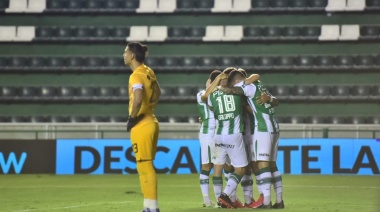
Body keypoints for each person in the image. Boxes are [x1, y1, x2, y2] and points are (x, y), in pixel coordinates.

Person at [218, 70, 283, 209]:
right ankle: (279, 200)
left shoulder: (246, 86)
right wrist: (269, 99)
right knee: (272, 165)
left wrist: (217, 87)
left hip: (263, 128)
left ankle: (266, 202)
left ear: (237, 81)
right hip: (274, 127)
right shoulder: (259, 85)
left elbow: (230, 91)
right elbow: (275, 101)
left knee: (262, 164)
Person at [123, 42, 161, 212]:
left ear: (132, 55)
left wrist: (132, 118)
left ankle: (153, 207)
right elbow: (158, 91)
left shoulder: (136, 75)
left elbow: (138, 97)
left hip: (142, 124)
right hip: (151, 121)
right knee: (144, 165)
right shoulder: (148, 71)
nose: (123, 55)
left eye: (125, 52)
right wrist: (150, 107)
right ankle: (147, 206)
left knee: (145, 166)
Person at [206, 70, 248, 209]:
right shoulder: (236, 92)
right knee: (240, 168)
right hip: (234, 135)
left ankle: (219, 201)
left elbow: (208, 102)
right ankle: (224, 195)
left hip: (218, 136)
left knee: (217, 168)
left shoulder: (212, 96)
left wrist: (213, 85)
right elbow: (244, 98)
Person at [196, 70, 221, 208]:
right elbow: (206, 95)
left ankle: (222, 198)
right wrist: (215, 84)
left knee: (223, 165)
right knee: (207, 166)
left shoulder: (221, 94)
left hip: (221, 132)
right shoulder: (201, 94)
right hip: (208, 132)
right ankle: (206, 199)